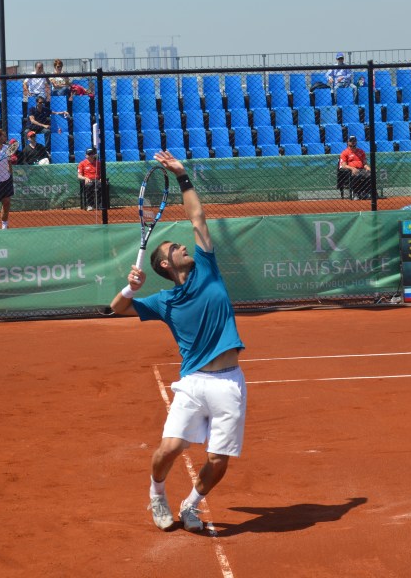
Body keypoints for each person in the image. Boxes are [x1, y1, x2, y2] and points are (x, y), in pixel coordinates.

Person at [110, 151, 247, 534]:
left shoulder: (207, 265)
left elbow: (197, 217)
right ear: (165, 266)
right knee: (169, 449)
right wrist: (130, 287)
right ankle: (156, 494)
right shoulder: (164, 302)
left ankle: (190, 506)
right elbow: (116, 309)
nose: (183, 246)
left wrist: (183, 176)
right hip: (193, 383)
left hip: (230, 382)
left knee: (219, 461)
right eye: (174, 248)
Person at [339, 135, 372, 199]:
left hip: (361, 169)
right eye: (351, 141)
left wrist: (367, 167)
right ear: (348, 142)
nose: (353, 142)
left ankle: (365, 192)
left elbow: (364, 163)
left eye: (354, 141)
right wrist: (352, 168)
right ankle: (355, 193)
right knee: (357, 175)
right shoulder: (344, 152)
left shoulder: (361, 151)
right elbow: (343, 165)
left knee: (369, 174)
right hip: (351, 170)